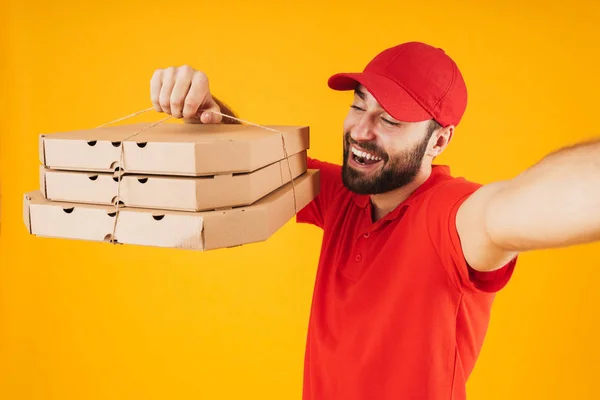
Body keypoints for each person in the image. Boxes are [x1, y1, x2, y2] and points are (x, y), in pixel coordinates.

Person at [149, 41, 600, 399]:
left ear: (439, 140)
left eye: (390, 119)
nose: (361, 131)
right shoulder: (343, 194)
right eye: (359, 106)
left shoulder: (453, 217)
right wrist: (204, 111)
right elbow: (244, 163)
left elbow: (521, 205)